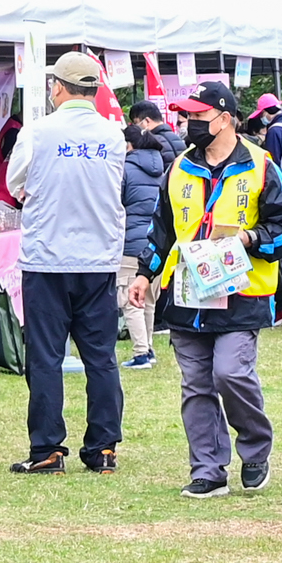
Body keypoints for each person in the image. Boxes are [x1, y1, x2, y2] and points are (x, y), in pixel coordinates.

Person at [144, 79, 282, 498]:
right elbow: (162, 228)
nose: (188, 123)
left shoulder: (262, 166)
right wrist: (145, 272)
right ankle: (208, 469)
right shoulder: (178, 169)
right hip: (187, 296)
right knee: (196, 384)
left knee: (230, 372)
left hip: (240, 295)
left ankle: (254, 449)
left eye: (198, 116)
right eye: (186, 116)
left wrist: (249, 239)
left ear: (225, 119)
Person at [5, 50, 127, 475]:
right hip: (99, 260)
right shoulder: (113, 135)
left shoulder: (38, 132)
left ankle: (48, 449)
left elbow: (14, 182)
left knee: (45, 357)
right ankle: (103, 447)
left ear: (57, 87)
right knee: (101, 357)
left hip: (47, 258)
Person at [116, 96, 174, 371]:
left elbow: (116, 203)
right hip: (154, 243)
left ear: (129, 145)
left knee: (130, 299)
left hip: (130, 243)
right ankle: (148, 347)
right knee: (148, 299)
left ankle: (141, 352)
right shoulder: (161, 168)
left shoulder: (125, 169)